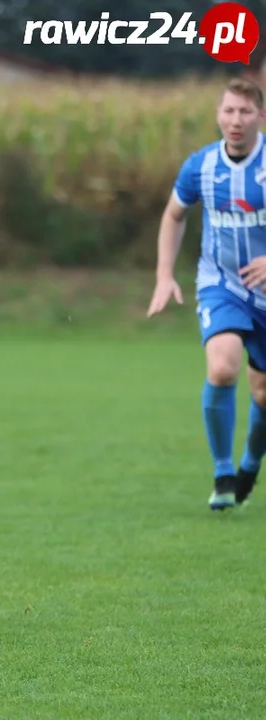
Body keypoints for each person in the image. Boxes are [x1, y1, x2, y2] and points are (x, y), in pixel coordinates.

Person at [148, 77, 266, 511]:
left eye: (245, 111)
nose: (236, 121)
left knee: (263, 395)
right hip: (222, 286)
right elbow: (174, 215)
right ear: (218, 115)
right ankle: (222, 474)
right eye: (229, 111)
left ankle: (249, 465)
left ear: (261, 116)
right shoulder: (201, 166)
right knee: (221, 368)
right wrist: (164, 275)